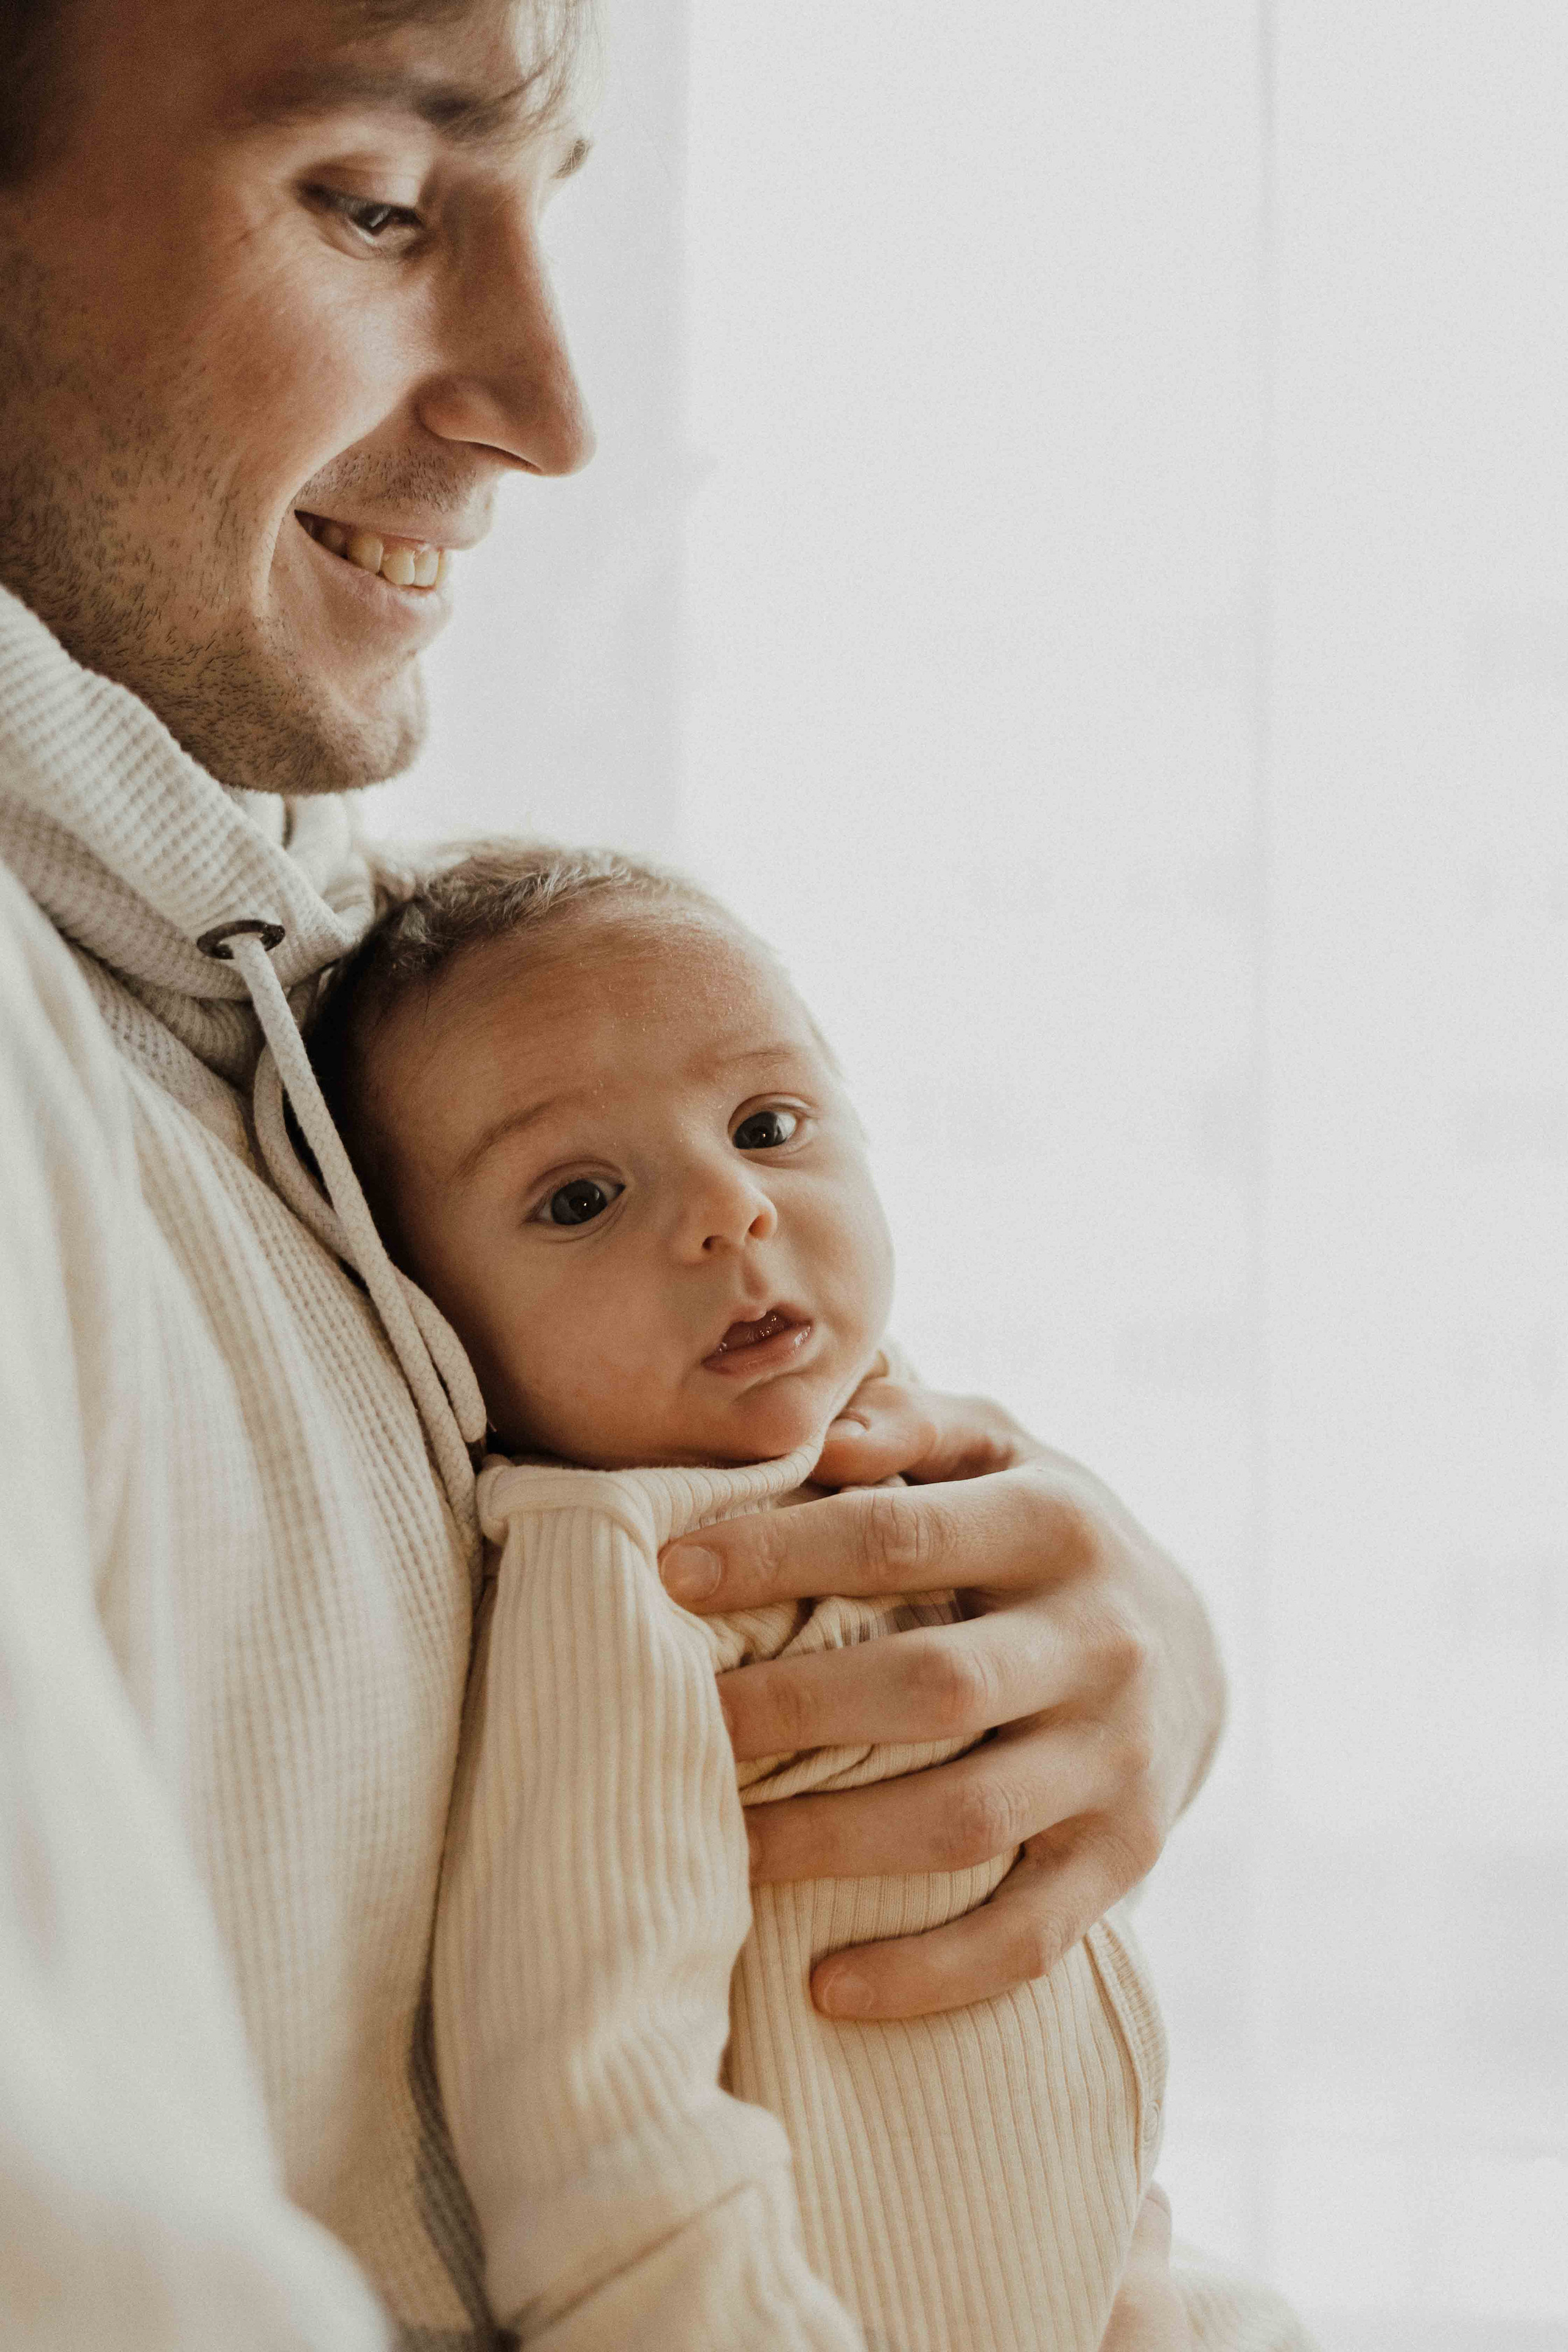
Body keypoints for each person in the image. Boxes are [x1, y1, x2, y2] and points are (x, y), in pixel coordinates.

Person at [0, 0, 1223, 2342]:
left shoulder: (328, 983)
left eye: (549, 203)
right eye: (373, 198)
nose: (553, 413)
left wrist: (1116, 1655)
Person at [301, 837, 1312, 2352]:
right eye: (579, 1198)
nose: (726, 1209)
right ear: (429, 1321)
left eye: (767, 1123)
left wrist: (1123, 2245)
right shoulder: (618, 1575)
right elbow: (594, 2095)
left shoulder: (924, 1458)